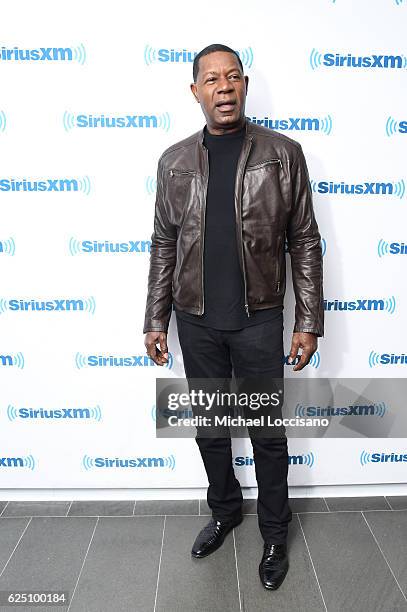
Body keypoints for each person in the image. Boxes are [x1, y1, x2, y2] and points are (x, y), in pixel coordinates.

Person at [143, 43, 324, 591]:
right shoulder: (174, 161)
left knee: (267, 434)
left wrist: (308, 320)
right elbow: (163, 241)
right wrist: (156, 316)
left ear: (244, 85)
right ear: (195, 90)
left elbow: (305, 240)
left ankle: (274, 531)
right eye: (212, 79)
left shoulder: (281, 153)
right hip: (194, 319)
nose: (224, 87)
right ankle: (224, 511)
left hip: (260, 319)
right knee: (211, 428)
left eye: (233, 77)